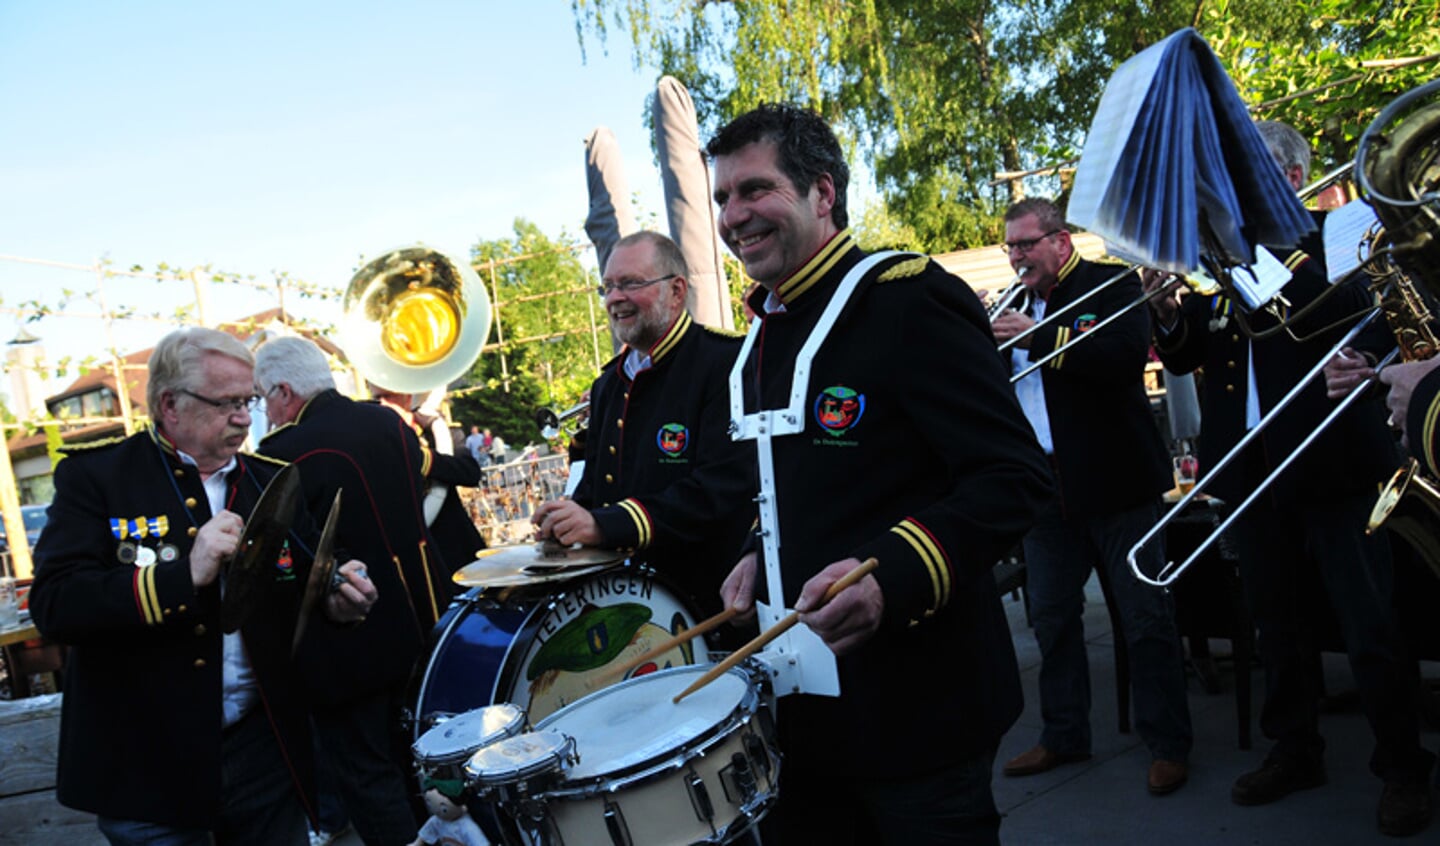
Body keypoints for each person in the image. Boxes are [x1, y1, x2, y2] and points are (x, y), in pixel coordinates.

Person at [708, 103, 1052, 844]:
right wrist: (751, 549)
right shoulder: (764, 334)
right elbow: (798, 483)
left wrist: (888, 577)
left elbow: (1013, 475)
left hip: (916, 706)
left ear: (821, 193)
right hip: (802, 721)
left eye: (754, 190)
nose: (733, 216)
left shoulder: (905, 300)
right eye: (722, 199)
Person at [1144, 120, 1434, 836]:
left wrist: (1254, 262)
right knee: (1276, 623)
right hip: (1252, 470)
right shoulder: (1221, 263)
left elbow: (1364, 317)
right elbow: (1189, 361)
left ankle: (1402, 766)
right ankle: (1294, 747)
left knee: (1369, 625)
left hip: (1332, 462)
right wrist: (1168, 312)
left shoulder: (1334, 238)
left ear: (1289, 177)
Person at [28, 326, 375, 845]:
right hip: (149, 762)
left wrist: (340, 600)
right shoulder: (99, 477)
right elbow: (55, 604)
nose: (243, 417)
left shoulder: (270, 479)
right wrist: (182, 575)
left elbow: (305, 580)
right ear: (171, 404)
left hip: (264, 752)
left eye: (250, 401)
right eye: (227, 403)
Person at [991, 198, 1193, 795]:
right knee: (1051, 618)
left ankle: (1168, 742)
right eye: (1010, 247)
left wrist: (1039, 335)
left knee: (1145, 618)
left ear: (1061, 241)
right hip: (1043, 487)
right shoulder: (1014, 304)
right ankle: (1064, 734)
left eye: (1026, 244)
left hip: (1116, 481)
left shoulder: (1110, 285)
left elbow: (1124, 357)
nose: (1016, 257)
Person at [256, 336, 453, 846]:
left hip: (351, 639)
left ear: (284, 391)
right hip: (424, 617)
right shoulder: (387, 420)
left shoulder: (281, 454)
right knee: (420, 762)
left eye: (261, 399)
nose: (264, 414)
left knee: (368, 776)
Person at [531, 230, 756, 635]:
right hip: (628, 608)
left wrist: (606, 524)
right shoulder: (607, 386)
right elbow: (599, 487)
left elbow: (720, 488)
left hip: (708, 608)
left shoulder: (725, 363)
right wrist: (566, 518)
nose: (615, 298)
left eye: (631, 283)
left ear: (676, 291)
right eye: (609, 286)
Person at [372, 387, 487, 576]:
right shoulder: (378, 441)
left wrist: (424, 459)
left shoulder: (439, 434)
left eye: (389, 396)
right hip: (414, 552)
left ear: (408, 398)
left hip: (455, 544)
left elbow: (470, 473)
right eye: (378, 398)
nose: (383, 404)